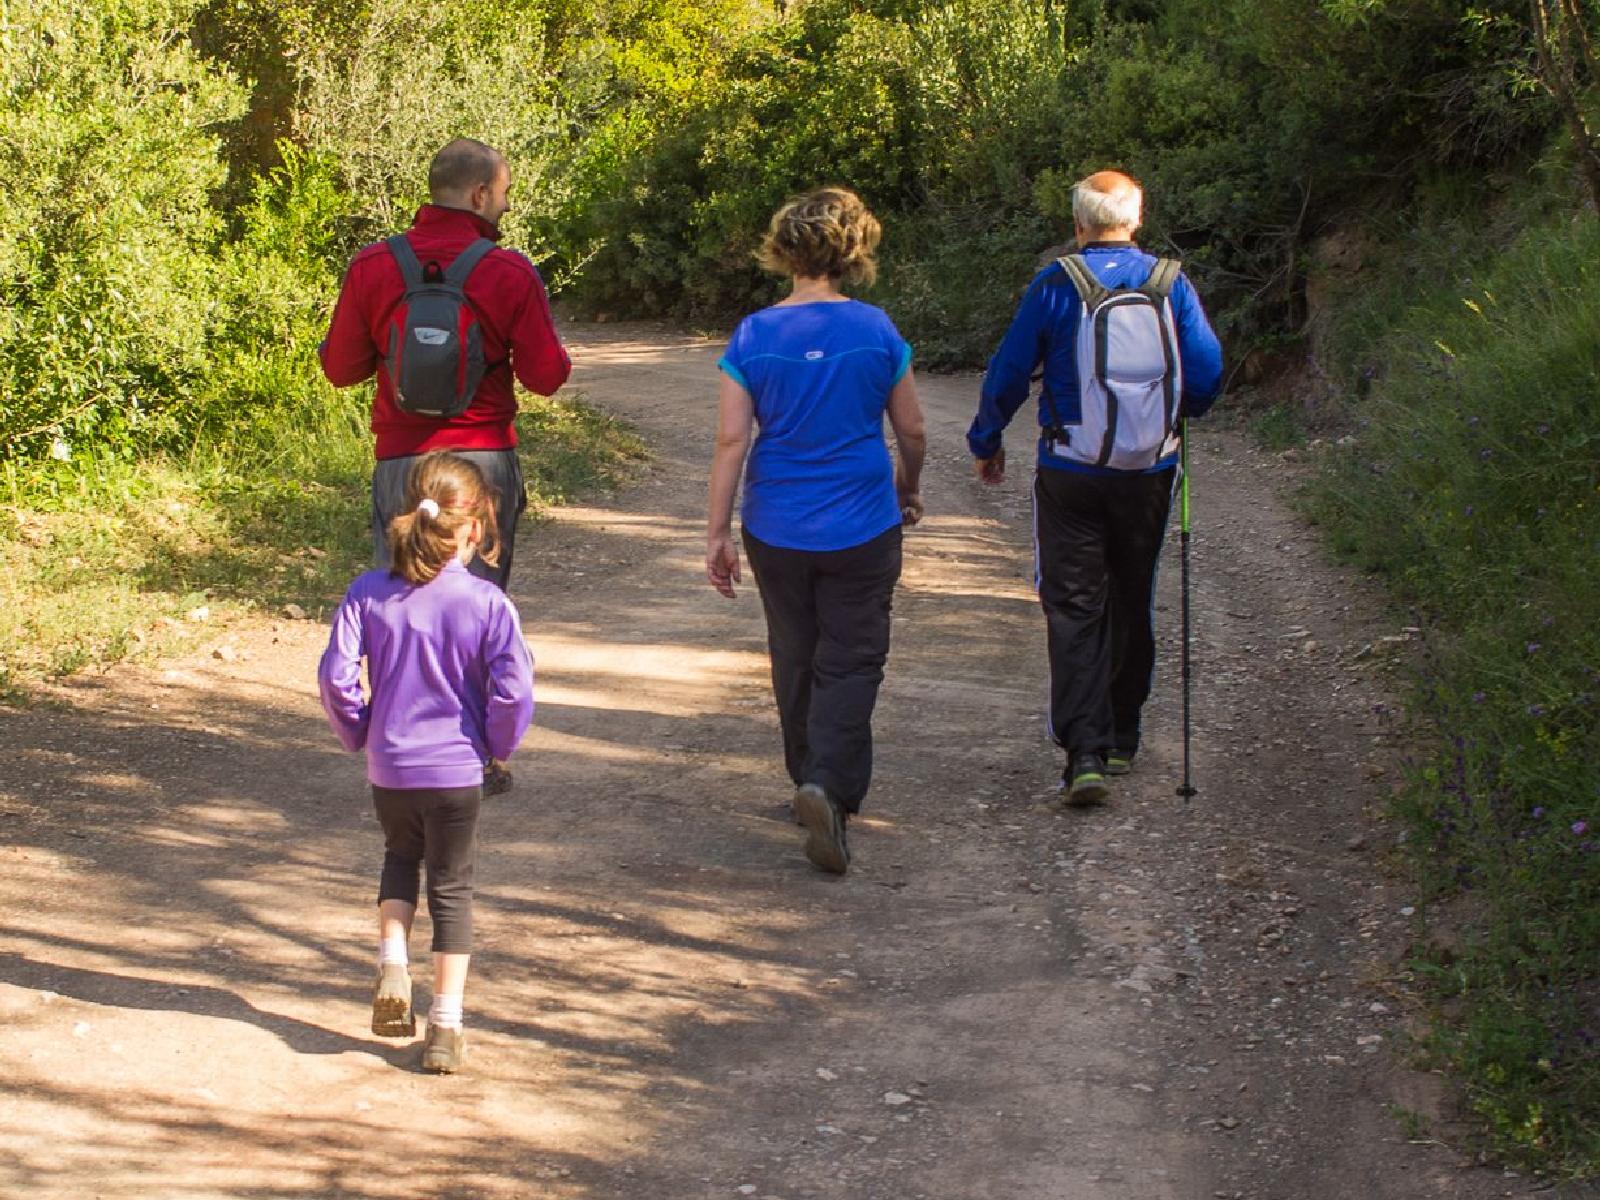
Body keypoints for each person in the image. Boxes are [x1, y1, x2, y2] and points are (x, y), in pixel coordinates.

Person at [967, 170, 1223, 804]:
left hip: (1072, 473)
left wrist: (986, 440)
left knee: (1075, 606)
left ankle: (1084, 751)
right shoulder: (1171, 285)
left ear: (1078, 226)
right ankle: (1124, 737)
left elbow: (1007, 371)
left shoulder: (1057, 285)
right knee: (1133, 597)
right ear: (1135, 221)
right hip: (1149, 474)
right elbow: (1209, 373)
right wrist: (1177, 412)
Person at [706, 187, 927, 876]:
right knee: (853, 657)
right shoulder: (877, 330)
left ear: (785, 249)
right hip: (863, 520)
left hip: (778, 522)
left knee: (795, 650)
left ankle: (807, 775)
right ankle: (828, 786)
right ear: (853, 249)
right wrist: (909, 489)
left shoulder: (754, 334)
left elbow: (729, 441)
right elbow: (913, 428)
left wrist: (717, 532)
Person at [318, 451, 535, 1074]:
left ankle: (392, 964)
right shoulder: (487, 603)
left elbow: (338, 677)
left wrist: (358, 732)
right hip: (456, 771)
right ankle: (444, 1027)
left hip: (390, 767)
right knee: (452, 890)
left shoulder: (368, 592)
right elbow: (513, 691)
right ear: (474, 527)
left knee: (399, 858)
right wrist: (499, 746)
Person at [319, 137, 571, 592]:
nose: (506, 206)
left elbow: (340, 370)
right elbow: (546, 377)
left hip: (401, 460)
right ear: (479, 195)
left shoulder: (372, 265)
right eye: (504, 192)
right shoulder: (510, 272)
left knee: (399, 602)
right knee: (474, 609)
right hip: (483, 464)